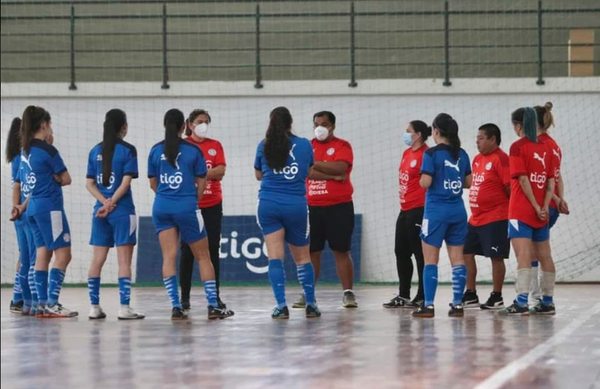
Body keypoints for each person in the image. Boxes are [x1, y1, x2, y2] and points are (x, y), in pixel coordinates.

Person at [148, 108, 233, 320]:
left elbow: (153, 183)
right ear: (183, 126)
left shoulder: (155, 150)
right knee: (204, 256)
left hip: (161, 207)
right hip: (187, 207)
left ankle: (176, 307)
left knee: (169, 256)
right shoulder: (193, 151)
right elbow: (202, 183)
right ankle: (213, 305)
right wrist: (190, 200)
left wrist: (167, 196)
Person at [254, 106, 320, 319]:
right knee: (302, 257)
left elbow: (258, 175)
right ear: (290, 123)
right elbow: (309, 171)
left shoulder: (263, 146)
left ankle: (281, 306)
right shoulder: (304, 145)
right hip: (296, 205)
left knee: (275, 256)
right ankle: (310, 304)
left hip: (269, 204)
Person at [85, 109, 144, 320]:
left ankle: (94, 307)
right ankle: (124, 308)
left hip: (99, 213)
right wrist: (112, 203)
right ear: (124, 127)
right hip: (123, 211)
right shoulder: (128, 150)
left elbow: (89, 183)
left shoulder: (94, 151)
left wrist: (104, 202)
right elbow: (126, 182)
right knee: (124, 262)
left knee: (97, 260)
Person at [19, 105, 77, 317]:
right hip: (49, 208)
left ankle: (41, 304)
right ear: (43, 125)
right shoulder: (48, 151)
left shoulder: (25, 151)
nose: (51, 129)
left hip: (32, 208)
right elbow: (67, 179)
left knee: (43, 252)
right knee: (64, 254)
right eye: (50, 125)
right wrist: (55, 177)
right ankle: (52, 302)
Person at [295, 110, 357, 309]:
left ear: (332, 126)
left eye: (324, 124)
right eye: (316, 124)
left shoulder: (342, 145)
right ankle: (307, 293)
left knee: (341, 250)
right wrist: (330, 175)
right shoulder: (307, 146)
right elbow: (306, 170)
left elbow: (341, 168)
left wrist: (318, 166)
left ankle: (348, 293)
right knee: (312, 252)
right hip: (312, 208)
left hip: (340, 207)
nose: (319, 128)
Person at [412, 113, 472, 318]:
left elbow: (425, 183)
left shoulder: (431, 154)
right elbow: (469, 182)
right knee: (458, 259)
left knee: (430, 260)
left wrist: (421, 178)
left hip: (436, 212)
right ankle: (457, 304)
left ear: (436, 131)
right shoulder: (462, 154)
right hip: (458, 212)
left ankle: (428, 305)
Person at [500, 107, 556, 315]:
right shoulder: (546, 148)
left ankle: (522, 301)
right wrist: (543, 206)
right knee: (545, 255)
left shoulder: (517, 147)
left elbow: (523, 180)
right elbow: (551, 182)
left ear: (518, 125)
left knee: (523, 254)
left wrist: (533, 205)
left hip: (521, 211)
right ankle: (548, 301)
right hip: (542, 212)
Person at [179, 109, 230, 312]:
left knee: (212, 251)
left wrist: (199, 173)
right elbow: (182, 173)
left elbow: (221, 171)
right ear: (190, 124)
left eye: (207, 121)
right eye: (200, 121)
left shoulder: (215, 145)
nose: (203, 125)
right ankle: (184, 297)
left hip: (212, 204)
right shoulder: (183, 146)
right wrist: (208, 174)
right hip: (189, 205)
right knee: (187, 252)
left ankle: (214, 296)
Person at [462, 123, 510, 310]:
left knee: (496, 257)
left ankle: (496, 296)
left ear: (492, 139)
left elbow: (509, 188)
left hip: (496, 217)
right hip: (476, 218)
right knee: (466, 252)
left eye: (481, 138)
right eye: (477, 138)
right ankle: (471, 293)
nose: (477, 141)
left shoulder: (502, 159)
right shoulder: (476, 159)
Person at [383, 120, 430, 308]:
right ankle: (403, 295)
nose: (405, 134)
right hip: (405, 209)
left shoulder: (426, 154)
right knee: (401, 251)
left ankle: (423, 294)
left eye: (408, 131)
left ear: (418, 134)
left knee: (420, 254)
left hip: (419, 209)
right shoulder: (406, 153)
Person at [529, 102, 569, 303]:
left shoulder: (539, 145)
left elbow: (546, 179)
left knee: (535, 252)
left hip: (542, 205)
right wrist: (560, 199)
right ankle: (542, 298)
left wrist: (553, 199)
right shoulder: (554, 145)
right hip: (551, 204)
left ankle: (539, 298)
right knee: (539, 251)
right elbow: (557, 176)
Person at [6, 117, 36, 315]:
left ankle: (19, 299)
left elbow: (15, 185)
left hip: (19, 211)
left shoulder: (17, 157)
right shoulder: (24, 157)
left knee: (24, 257)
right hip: (26, 212)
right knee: (30, 258)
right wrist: (19, 207)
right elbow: (20, 185)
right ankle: (26, 299)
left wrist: (15, 207)